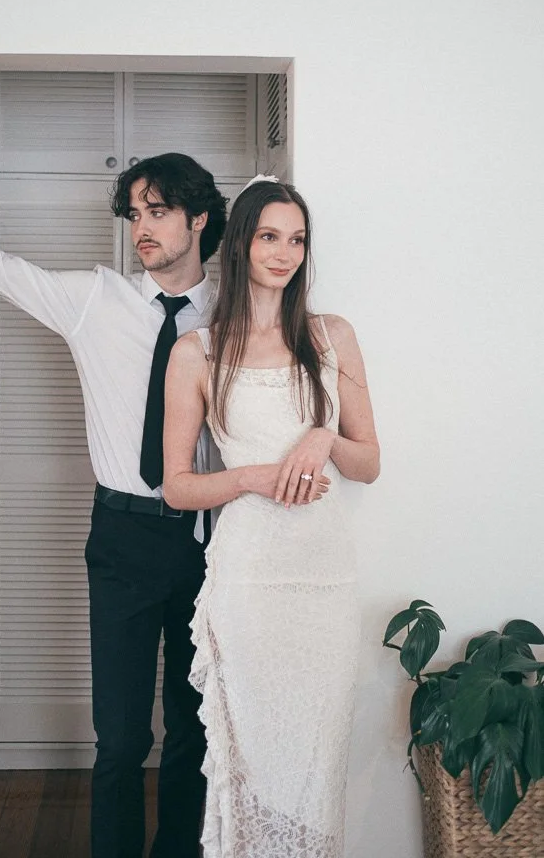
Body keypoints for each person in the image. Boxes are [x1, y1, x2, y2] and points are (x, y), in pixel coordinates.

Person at [0, 113, 227, 858]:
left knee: (192, 725)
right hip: (119, 536)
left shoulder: (234, 316)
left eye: (158, 211)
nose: (141, 228)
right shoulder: (95, 298)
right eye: (134, 213)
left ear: (199, 219)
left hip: (209, 540)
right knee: (118, 738)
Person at [162, 176, 380, 858]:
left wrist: (321, 436)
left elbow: (367, 462)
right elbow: (175, 488)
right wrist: (254, 477)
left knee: (318, 768)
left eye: (296, 240)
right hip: (248, 581)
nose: (284, 253)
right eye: (268, 237)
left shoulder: (331, 336)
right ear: (239, 244)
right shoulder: (195, 352)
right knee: (250, 763)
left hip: (323, 581)